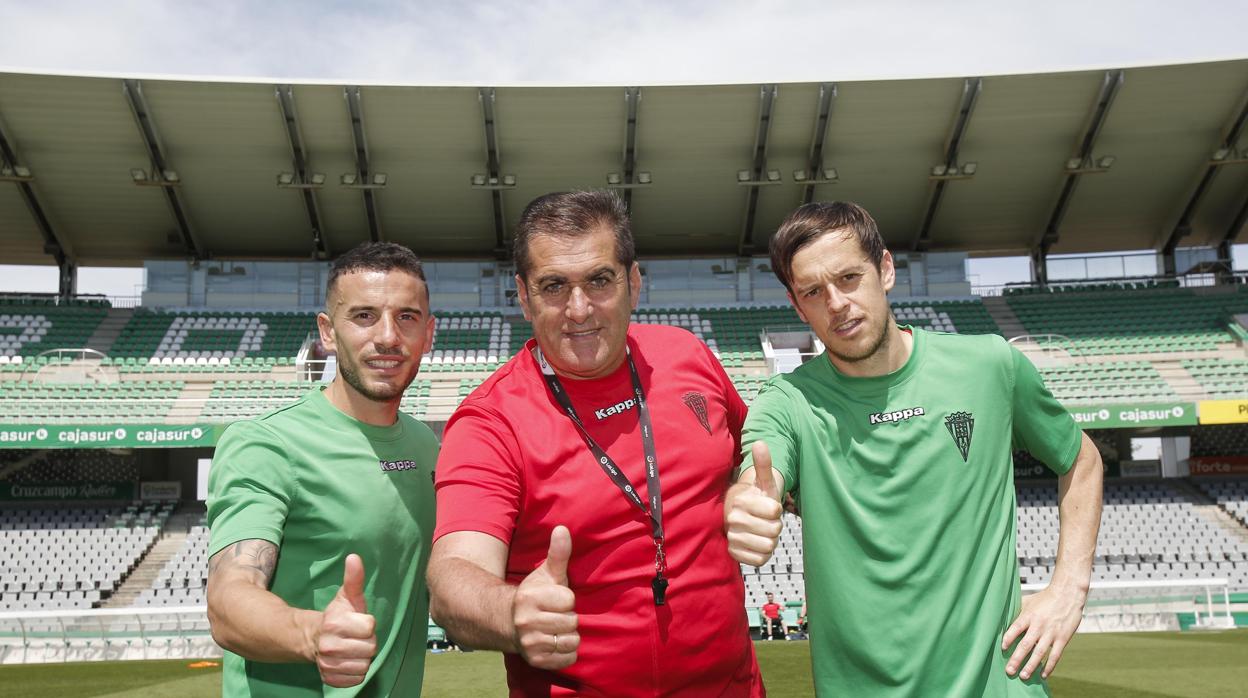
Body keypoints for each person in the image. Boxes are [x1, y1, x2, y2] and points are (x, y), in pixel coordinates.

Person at [725, 202, 1103, 696]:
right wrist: (748, 501)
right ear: (798, 307)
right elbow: (760, 474)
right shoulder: (789, 400)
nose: (836, 303)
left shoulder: (990, 366)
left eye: (848, 278)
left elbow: (1081, 459)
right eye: (813, 292)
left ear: (884, 270)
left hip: (1001, 685)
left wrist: (1067, 591)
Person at [427, 190, 765, 696]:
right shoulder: (489, 421)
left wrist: (755, 489)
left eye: (600, 280)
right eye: (554, 286)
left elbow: (755, 466)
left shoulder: (688, 356)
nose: (579, 309)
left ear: (633, 281)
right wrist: (514, 611)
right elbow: (456, 575)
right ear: (523, 296)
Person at [206, 242, 439, 696]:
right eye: (364, 316)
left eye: (406, 317)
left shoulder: (426, 445)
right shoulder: (265, 444)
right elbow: (229, 598)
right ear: (328, 332)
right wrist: (312, 634)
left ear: (428, 334)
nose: (388, 336)